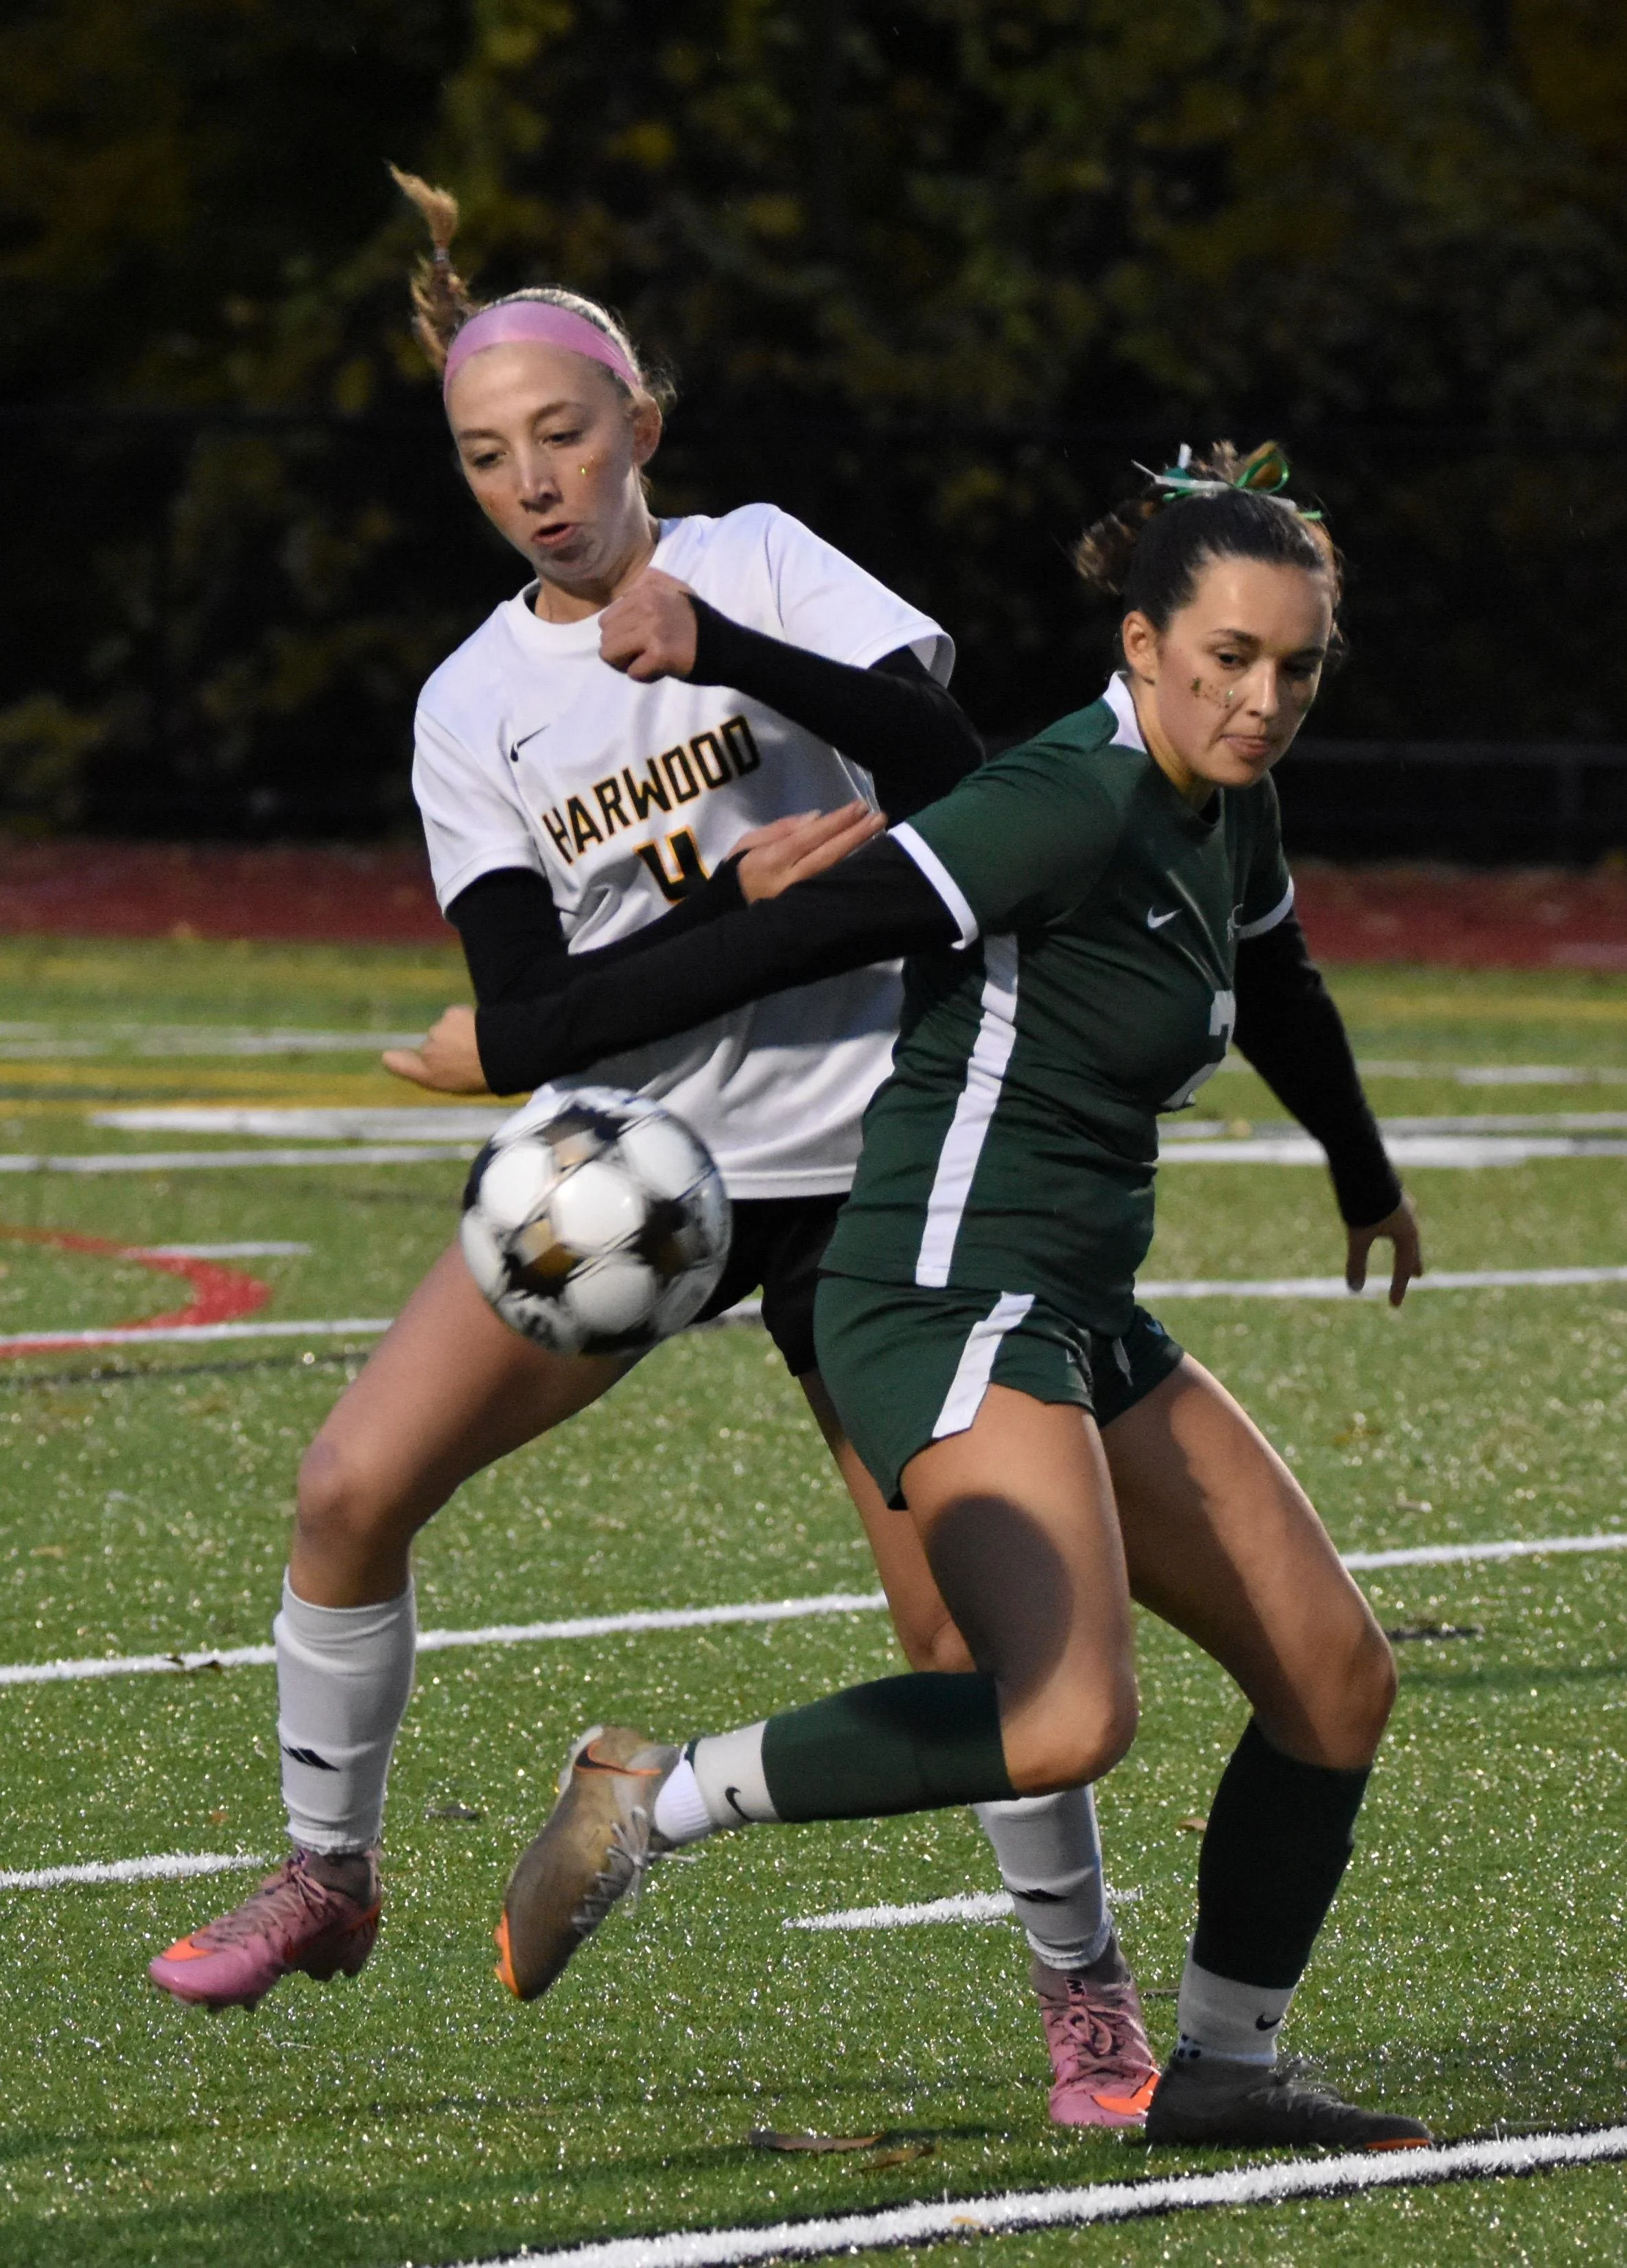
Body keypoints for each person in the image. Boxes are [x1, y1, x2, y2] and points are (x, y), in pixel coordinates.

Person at [146, 168, 1158, 2131]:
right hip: (634, 1178)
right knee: (351, 1482)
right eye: (486, 455)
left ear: (644, 433)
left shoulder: (767, 561)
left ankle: (1083, 1990)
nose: (532, 480)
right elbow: (529, 1017)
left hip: (876, 1156)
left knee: (970, 1637)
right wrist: (728, 921)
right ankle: (329, 1878)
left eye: (565, 435)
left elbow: (962, 771)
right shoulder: (469, 707)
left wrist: (720, 655)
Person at [460, 443, 1436, 2151]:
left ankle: (1220, 2069)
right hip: (934, 1289)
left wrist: (1366, 1170)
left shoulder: (1233, 791)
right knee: (1062, 1715)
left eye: (1297, 668)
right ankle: (651, 1796)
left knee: (1337, 1677)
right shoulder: (1067, 795)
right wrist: (539, 1034)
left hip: (1073, 1304)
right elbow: (812, 928)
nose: (1266, 699)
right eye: (1230, 661)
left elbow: (1272, 972)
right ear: (1140, 646)